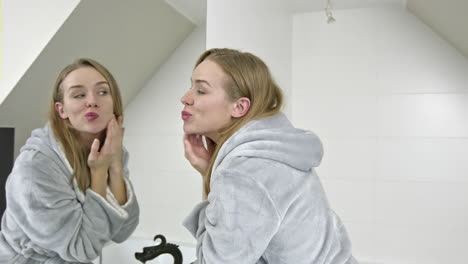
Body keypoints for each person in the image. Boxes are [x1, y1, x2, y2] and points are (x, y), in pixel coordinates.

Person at [181, 48, 357, 264]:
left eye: (201, 90)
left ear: (239, 106)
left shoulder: (244, 171)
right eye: (191, 87)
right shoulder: (270, 155)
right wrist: (209, 172)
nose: (185, 98)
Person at [0, 58, 139, 263]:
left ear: (114, 104)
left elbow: (123, 230)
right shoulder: (34, 168)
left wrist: (116, 167)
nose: (91, 101)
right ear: (61, 110)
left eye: (102, 92)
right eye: (79, 95)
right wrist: (99, 173)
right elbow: (82, 248)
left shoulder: (110, 151)